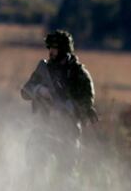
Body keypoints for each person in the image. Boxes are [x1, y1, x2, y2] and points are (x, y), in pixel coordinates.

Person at [21, 30, 98, 163]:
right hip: (43, 129)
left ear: (64, 50)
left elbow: (87, 101)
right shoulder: (44, 69)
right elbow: (25, 92)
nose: (51, 51)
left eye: (54, 48)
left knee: (66, 174)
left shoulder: (78, 73)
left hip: (67, 131)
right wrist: (39, 90)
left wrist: (71, 106)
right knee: (34, 169)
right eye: (49, 48)